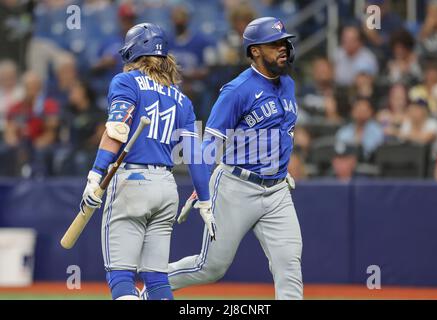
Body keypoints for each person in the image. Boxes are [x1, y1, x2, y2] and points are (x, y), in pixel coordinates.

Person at [168, 17, 303, 300]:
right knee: (210, 268)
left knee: (289, 265)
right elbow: (210, 144)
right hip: (236, 187)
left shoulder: (288, 84)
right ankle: (153, 286)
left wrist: (276, 162)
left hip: (277, 190)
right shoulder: (236, 90)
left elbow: (281, 131)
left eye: (284, 42)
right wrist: (202, 184)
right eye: (274, 43)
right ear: (255, 50)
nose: (283, 48)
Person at [79, 23, 214, 300]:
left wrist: (95, 175)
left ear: (132, 52)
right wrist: (205, 200)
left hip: (132, 184)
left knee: (121, 277)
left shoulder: (125, 81)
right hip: (166, 188)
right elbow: (195, 155)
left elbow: (116, 132)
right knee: (157, 280)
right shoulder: (183, 100)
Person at [335, 97, 384, 161]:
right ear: (352, 112)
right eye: (358, 109)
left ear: (370, 112)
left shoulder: (377, 131)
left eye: (364, 110)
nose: (361, 113)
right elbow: (339, 150)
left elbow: (373, 152)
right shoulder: (344, 131)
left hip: (369, 163)